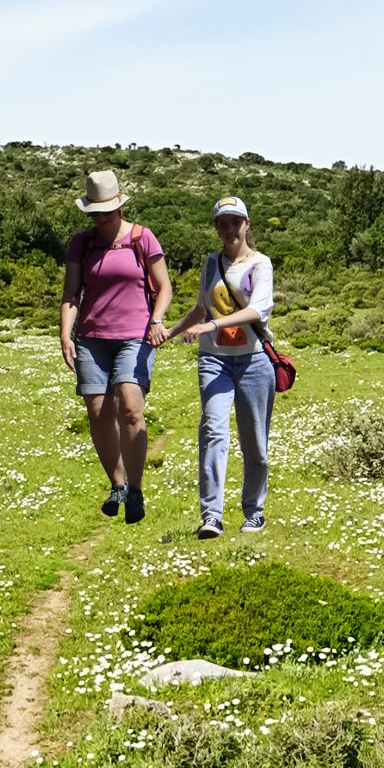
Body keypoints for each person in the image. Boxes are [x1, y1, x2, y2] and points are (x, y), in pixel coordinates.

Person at [59, 170, 172, 524]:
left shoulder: (142, 237)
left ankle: (136, 489)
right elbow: (71, 295)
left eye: (106, 209)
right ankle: (118, 484)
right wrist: (65, 334)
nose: (101, 216)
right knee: (97, 411)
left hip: (134, 336)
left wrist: (156, 320)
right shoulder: (82, 243)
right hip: (91, 338)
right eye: (95, 211)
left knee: (131, 408)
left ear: (119, 205)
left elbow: (164, 286)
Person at [164, 196, 274, 538]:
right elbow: (201, 307)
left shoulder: (260, 265)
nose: (229, 229)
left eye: (235, 222)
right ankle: (211, 516)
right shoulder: (211, 264)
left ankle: (254, 511)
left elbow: (257, 311)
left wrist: (213, 326)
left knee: (254, 441)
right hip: (214, 361)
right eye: (222, 224)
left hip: (254, 359)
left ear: (247, 224)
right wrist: (172, 331)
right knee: (213, 430)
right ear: (216, 228)